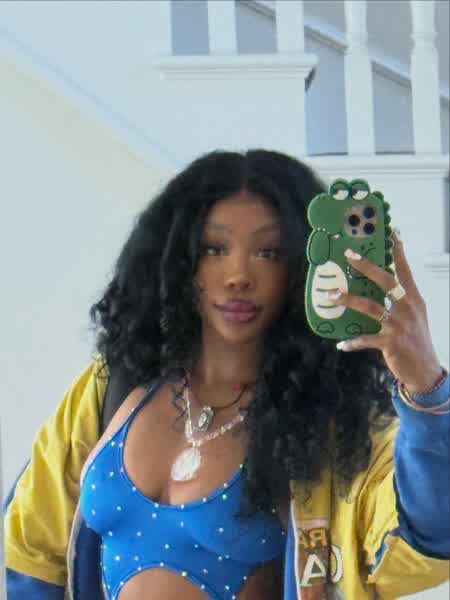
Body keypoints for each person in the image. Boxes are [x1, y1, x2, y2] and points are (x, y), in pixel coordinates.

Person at [4, 149, 449, 600]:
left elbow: (424, 544)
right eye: (214, 249)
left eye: (268, 252)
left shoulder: (332, 426)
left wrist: (426, 386)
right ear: (178, 258)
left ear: (302, 266)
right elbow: (27, 551)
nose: (238, 276)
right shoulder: (111, 387)